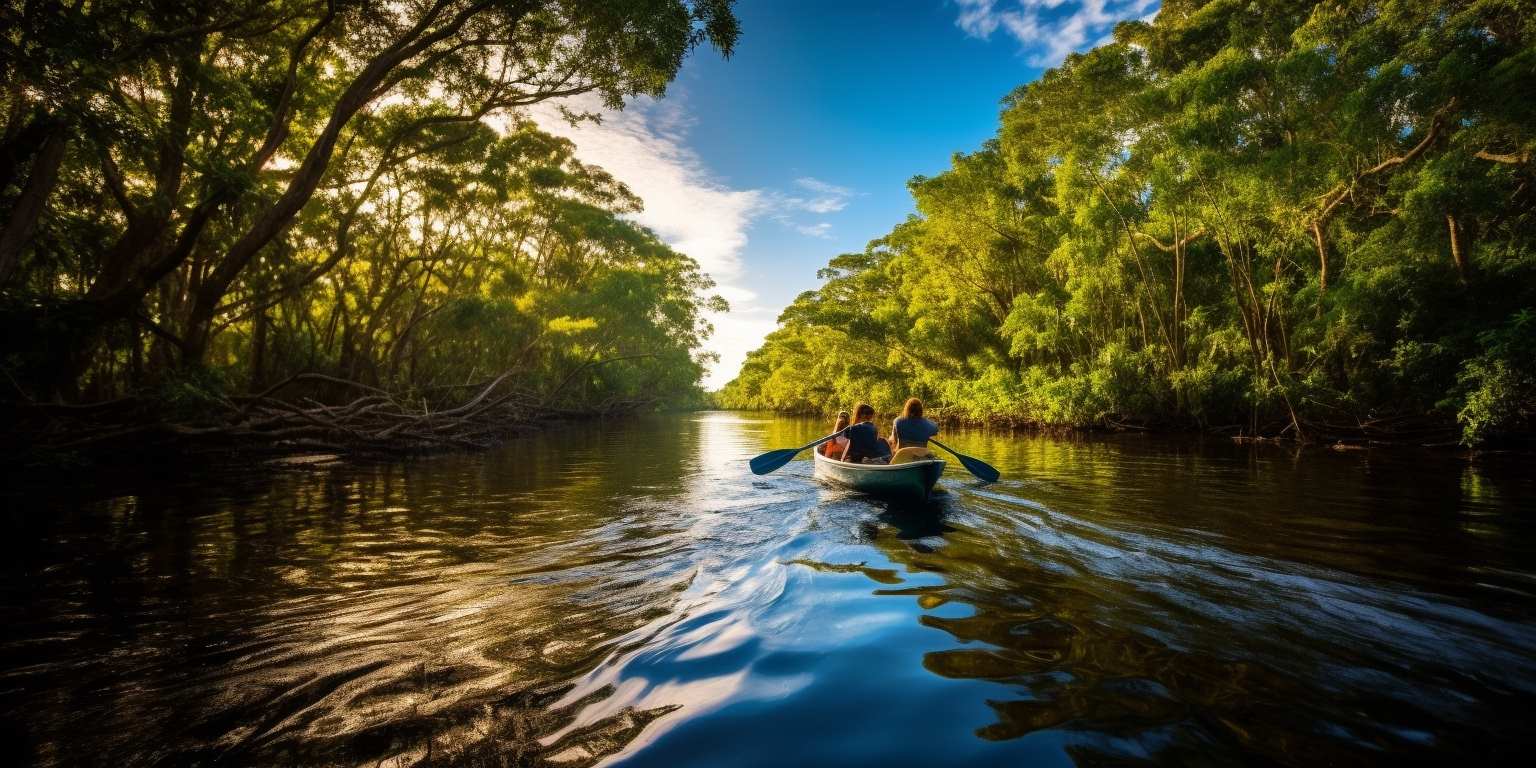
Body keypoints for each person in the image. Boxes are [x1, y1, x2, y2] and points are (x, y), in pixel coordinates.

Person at [888, 397, 939, 464]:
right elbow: (936, 430)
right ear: (921, 410)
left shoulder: (897, 421)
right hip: (921, 458)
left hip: (901, 459)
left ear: (907, 409)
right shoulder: (929, 425)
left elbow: (894, 441)